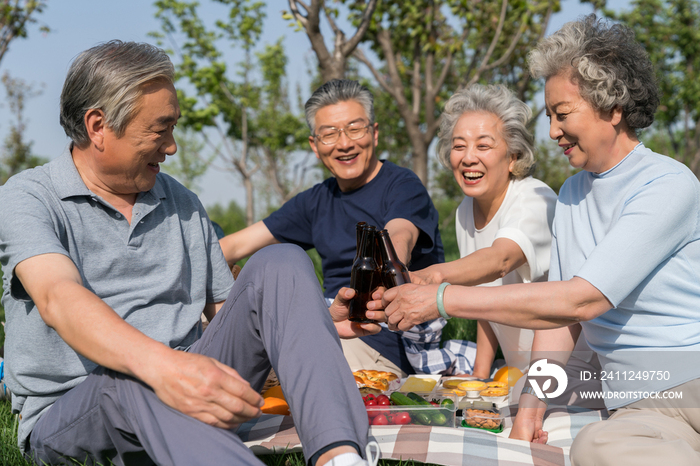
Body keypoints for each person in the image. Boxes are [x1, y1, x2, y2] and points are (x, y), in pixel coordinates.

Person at [0, 41, 381, 466]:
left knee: (283, 260)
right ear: (97, 125)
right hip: (75, 414)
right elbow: (57, 297)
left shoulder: (181, 203)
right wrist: (162, 368)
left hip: (187, 386)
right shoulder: (29, 197)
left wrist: (297, 320)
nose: (172, 146)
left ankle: (340, 456)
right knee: (133, 377)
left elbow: (229, 310)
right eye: (160, 129)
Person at [376, 15, 700, 465]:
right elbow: (562, 325)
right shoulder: (571, 195)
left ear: (614, 106)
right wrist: (532, 403)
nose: (551, 132)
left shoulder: (667, 183)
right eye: (549, 115)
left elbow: (582, 301)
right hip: (638, 402)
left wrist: (445, 298)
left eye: (562, 114)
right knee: (595, 446)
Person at [219, 79, 448, 377]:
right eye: (330, 134)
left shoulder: (402, 186)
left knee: (305, 364)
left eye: (355, 128)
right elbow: (232, 248)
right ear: (315, 145)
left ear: (374, 133)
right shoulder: (316, 200)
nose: (344, 143)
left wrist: (390, 265)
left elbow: (399, 238)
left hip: (377, 337)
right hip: (326, 323)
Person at [410, 83, 558, 379]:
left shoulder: (535, 200)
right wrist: (479, 379)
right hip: (517, 373)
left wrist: (433, 276)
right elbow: (482, 300)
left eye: (483, 145)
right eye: (459, 145)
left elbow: (500, 261)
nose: (468, 158)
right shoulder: (466, 210)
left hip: (564, 371)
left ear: (513, 156)